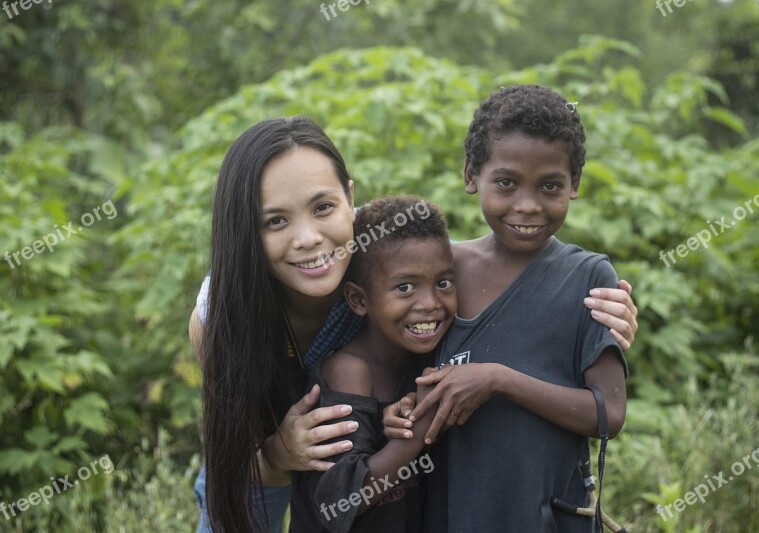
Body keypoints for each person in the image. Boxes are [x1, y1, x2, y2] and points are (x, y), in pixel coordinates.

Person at [189, 115, 638, 532]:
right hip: (252, 469)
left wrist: (597, 317)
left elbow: (452, 266)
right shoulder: (225, 317)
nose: (309, 238)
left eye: (323, 207)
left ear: (349, 196)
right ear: (246, 230)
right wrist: (279, 452)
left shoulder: (378, 266)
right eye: (275, 220)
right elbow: (238, 454)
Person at [391, 85, 630, 531]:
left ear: (574, 184)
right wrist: (399, 410)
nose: (527, 205)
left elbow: (608, 415)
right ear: (470, 175)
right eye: (506, 182)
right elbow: (407, 376)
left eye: (550, 186)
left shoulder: (588, 278)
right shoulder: (442, 272)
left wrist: (498, 380)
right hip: (446, 515)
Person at [290, 195, 453, 532]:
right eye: (405, 287)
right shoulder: (349, 371)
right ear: (359, 300)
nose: (431, 303)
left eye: (443, 283)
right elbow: (341, 501)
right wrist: (422, 426)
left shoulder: (426, 358)